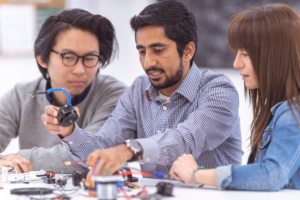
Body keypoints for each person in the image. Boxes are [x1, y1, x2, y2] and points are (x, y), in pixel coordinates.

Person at [42, 1, 242, 178]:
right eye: (142, 51)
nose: (148, 63)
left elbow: (185, 139)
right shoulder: (138, 90)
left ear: (187, 51)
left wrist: (129, 149)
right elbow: (102, 150)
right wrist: (69, 132)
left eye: (158, 50)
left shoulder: (219, 91)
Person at [170, 3, 300, 190]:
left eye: (245, 54)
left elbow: (270, 175)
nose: (236, 63)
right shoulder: (281, 110)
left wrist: (196, 174)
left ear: (275, 56)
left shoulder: (292, 113)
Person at [0, 9, 127, 173]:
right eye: (68, 57)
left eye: (89, 58)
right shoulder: (21, 95)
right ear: (42, 58)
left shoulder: (115, 95)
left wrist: (17, 158)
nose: (80, 70)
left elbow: (91, 154)